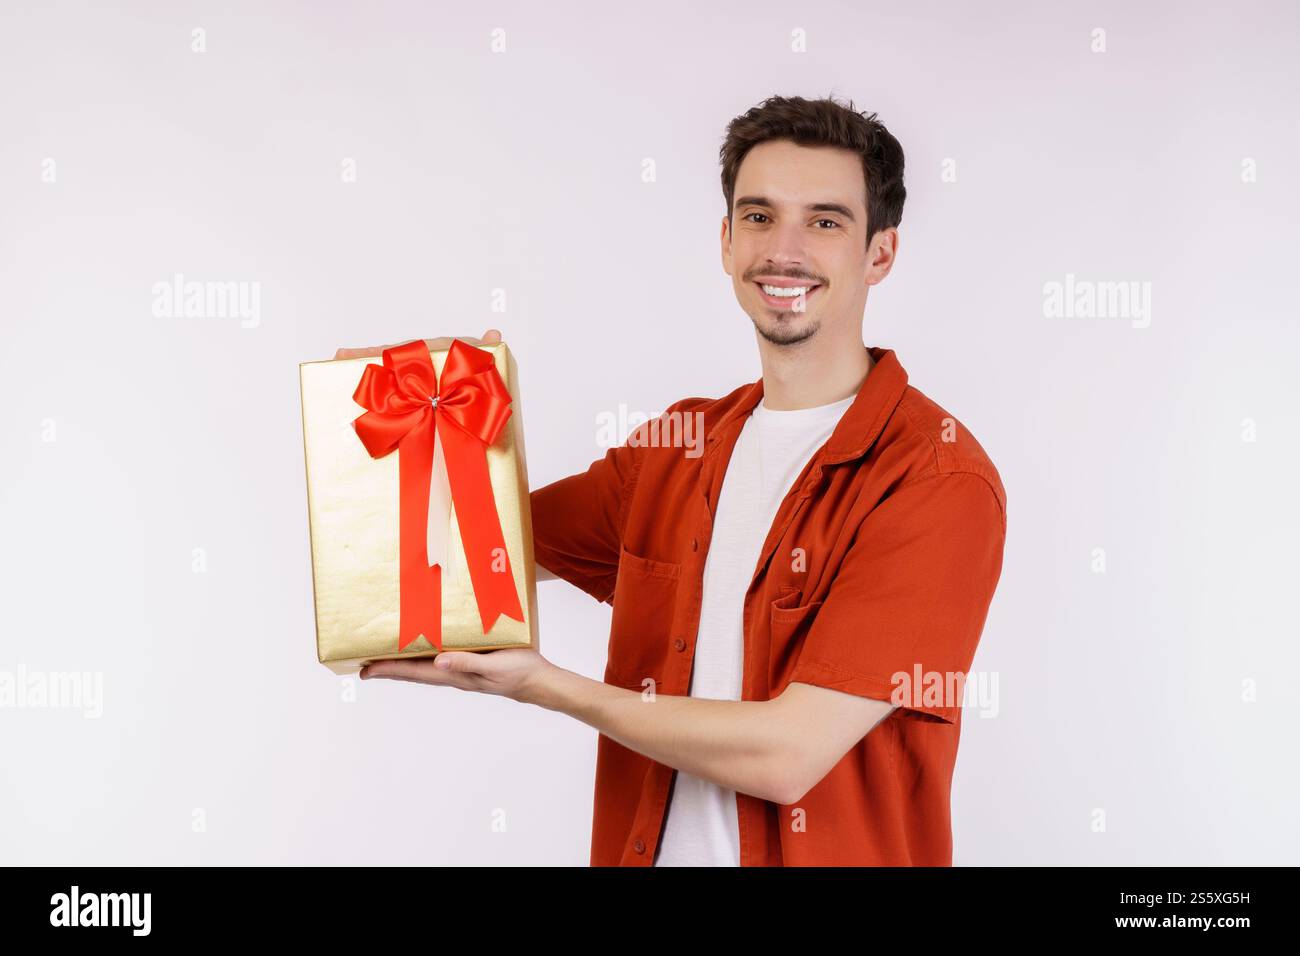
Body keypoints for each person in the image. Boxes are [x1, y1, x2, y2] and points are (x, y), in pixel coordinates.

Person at [339, 94, 1007, 866]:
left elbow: (788, 755)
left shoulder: (935, 477)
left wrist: (546, 686)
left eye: (825, 222)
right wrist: (430, 420)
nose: (783, 250)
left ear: (880, 253)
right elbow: (458, 564)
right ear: (726, 241)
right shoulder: (673, 451)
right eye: (758, 217)